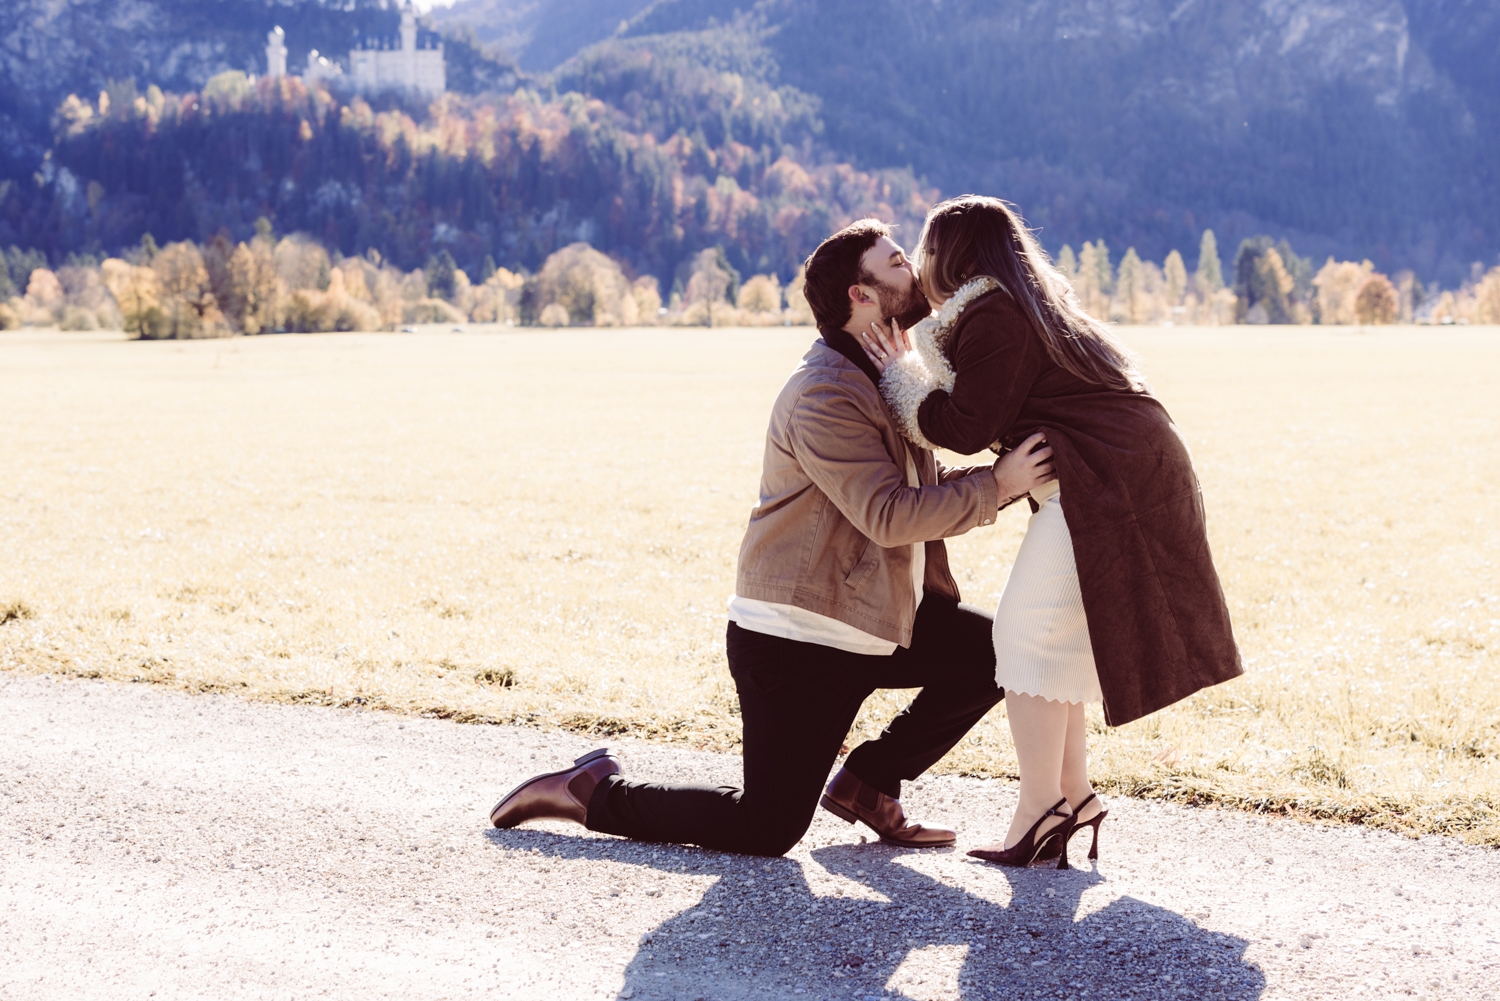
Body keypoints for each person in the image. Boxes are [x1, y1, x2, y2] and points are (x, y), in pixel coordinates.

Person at [488, 219, 1055, 857]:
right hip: (799, 639)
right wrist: (997, 486)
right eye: (898, 263)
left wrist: (1000, 478)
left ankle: (869, 782)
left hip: (871, 613)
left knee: (999, 653)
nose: (917, 271)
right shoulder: (823, 394)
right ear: (860, 296)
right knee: (768, 827)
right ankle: (588, 792)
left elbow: (913, 488)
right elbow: (890, 514)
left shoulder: (886, 372)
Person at [860, 195, 1243, 868]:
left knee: (1021, 633)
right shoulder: (1019, 301)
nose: (919, 264)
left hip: (1105, 481)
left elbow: (965, 424)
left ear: (951, 253)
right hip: (1117, 471)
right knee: (1055, 638)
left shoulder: (993, 314)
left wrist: (899, 376)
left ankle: (1041, 810)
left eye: (924, 250)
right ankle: (1071, 794)